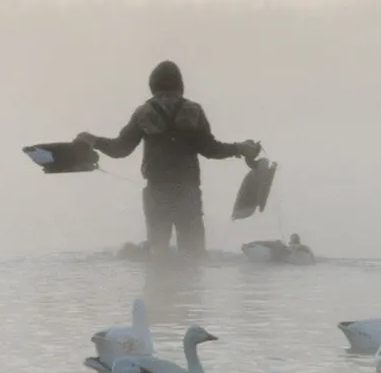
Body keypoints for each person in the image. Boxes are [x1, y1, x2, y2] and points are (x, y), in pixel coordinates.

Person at [78, 61, 260, 258]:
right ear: (180, 85)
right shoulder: (194, 111)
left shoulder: (144, 113)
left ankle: (160, 285)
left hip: (157, 192)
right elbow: (210, 149)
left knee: (159, 255)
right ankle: (192, 288)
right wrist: (239, 148)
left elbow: (121, 149)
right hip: (188, 191)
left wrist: (93, 140)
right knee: (194, 255)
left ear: (152, 86)